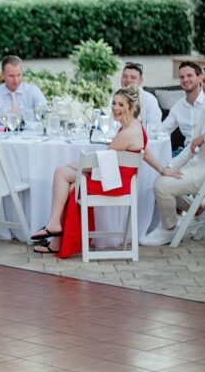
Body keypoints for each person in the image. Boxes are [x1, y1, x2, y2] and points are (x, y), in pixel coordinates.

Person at [30, 86, 163, 257]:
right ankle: (56, 239)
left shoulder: (126, 133)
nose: (115, 108)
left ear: (132, 108)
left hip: (113, 183)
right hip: (119, 180)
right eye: (114, 103)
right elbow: (146, 152)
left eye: (121, 105)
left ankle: (53, 224)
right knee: (69, 186)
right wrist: (162, 169)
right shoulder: (136, 126)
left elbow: (102, 164)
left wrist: (77, 166)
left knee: (61, 173)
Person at [141, 63, 205, 246]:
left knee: (162, 186)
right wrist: (169, 167)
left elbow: (203, 140)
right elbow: (191, 147)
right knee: (160, 177)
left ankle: (168, 228)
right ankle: (184, 217)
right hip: (200, 165)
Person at [0, 54, 46, 133]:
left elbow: (46, 117)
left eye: (19, 75)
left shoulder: (32, 91)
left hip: (29, 140)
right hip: (0, 142)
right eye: (11, 76)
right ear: (3, 75)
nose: (16, 80)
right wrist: (2, 130)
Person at [160, 61, 205, 149]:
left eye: (189, 75)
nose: (185, 80)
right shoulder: (178, 106)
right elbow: (162, 131)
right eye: (182, 77)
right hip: (185, 153)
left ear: (200, 78)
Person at [110, 62, 162, 130]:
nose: (128, 80)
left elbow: (154, 129)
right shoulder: (115, 98)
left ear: (140, 81)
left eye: (133, 78)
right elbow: (110, 124)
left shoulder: (150, 100)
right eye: (125, 76)